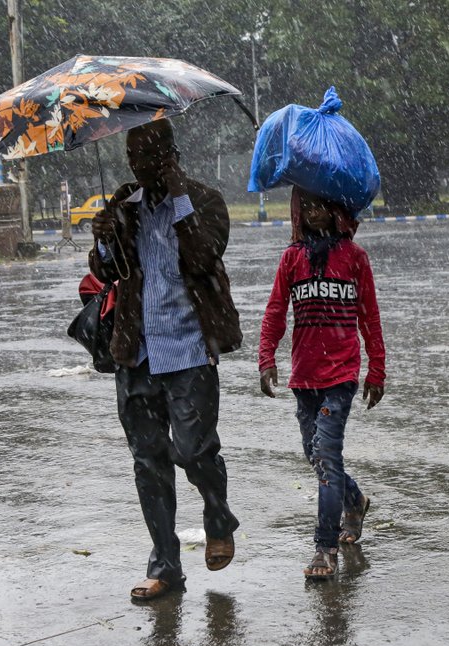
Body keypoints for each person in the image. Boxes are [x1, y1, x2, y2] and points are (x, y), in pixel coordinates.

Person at [88, 118, 242, 601]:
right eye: (132, 157)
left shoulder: (204, 200)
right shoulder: (123, 205)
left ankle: (218, 516)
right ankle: (165, 565)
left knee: (196, 450)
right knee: (148, 461)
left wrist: (178, 196)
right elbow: (104, 270)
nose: (137, 165)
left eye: (148, 155)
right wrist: (104, 238)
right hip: (136, 351)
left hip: (190, 349)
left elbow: (201, 256)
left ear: (170, 155)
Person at [258, 187, 386, 579]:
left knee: (327, 457)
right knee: (314, 455)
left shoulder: (354, 258)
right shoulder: (292, 259)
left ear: (336, 210)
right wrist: (266, 359)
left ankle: (324, 548)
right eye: (307, 207)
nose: (314, 213)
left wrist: (376, 370)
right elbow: (276, 311)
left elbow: (370, 316)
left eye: (321, 206)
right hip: (304, 376)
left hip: (341, 377)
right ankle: (355, 500)